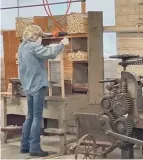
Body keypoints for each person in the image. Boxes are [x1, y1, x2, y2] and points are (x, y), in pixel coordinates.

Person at [18, 25, 69, 157]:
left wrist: (45, 35)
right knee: (37, 117)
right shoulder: (34, 47)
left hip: (28, 86)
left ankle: (25, 145)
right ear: (35, 37)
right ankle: (35, 147)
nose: (42, 39)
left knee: (29, 116)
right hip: (37, 85)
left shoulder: (22, 46)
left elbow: (40, 47)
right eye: (40, 37)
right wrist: (62, 44)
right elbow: (50, 53)